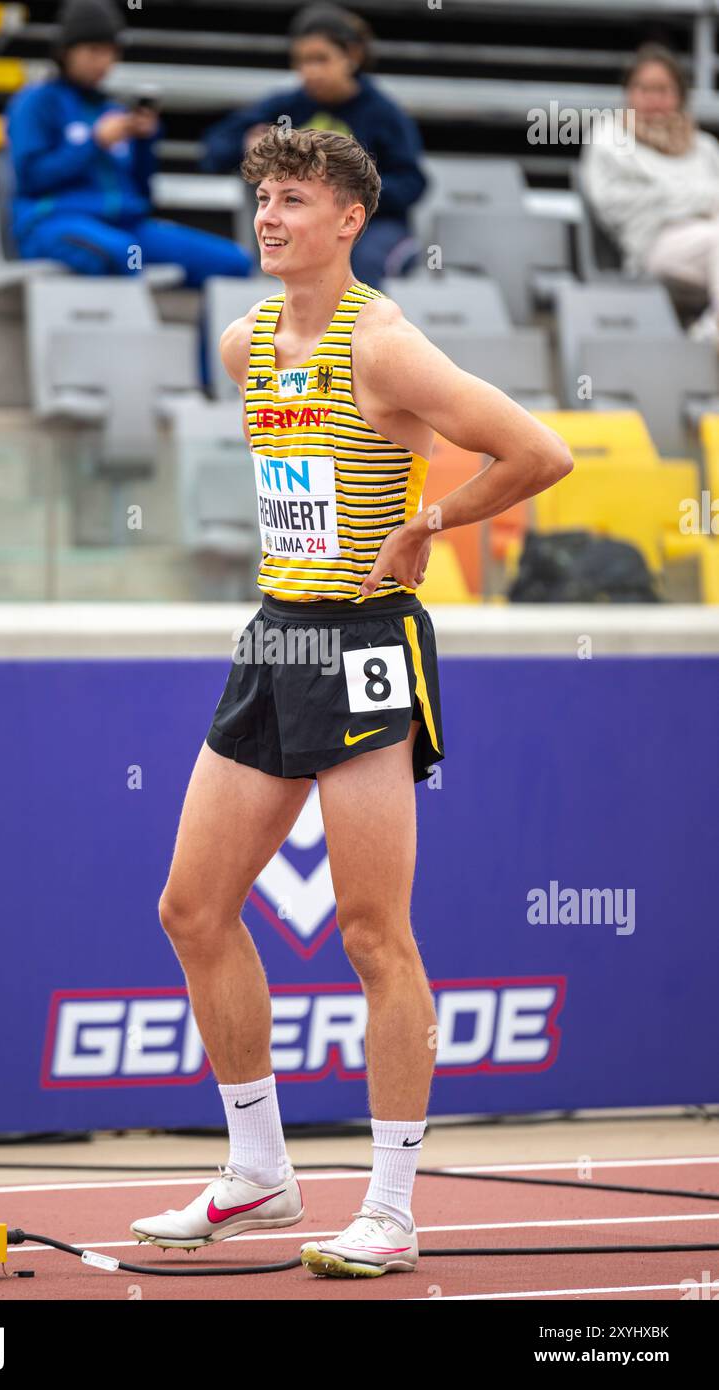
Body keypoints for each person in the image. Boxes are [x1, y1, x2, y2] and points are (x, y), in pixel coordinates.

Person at [129, 127, 573, 1277]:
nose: (267, 217)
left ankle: (387, 1201)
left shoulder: (386, 348)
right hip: (276, 636)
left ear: (346, 220)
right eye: (259, 199)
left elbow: (536, 451)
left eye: (289, 200)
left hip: (365, 647)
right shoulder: (245, 341)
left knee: (373, 934)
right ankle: (259, 1170)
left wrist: (432, 519)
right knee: (191, 908)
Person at [5, 0, 252, 289]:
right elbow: (31, 178)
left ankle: (214, 337)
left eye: (111, 52)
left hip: (126, 226)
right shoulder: (35, 102)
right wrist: (94, 142)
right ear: (65, 51)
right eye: (93, 51)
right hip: (52, 223)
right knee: (119, 253)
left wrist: (145, 142)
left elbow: (142, 194)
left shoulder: (113, 110)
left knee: (233, 263)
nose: (103, 62)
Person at [200, 3, 426, 287]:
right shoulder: (287, 106)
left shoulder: (382, 113)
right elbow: (214, 150)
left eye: (321, 59)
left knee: (351, 262)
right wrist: (248, 144)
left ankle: (356, 330)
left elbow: (412, 182)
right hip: (303, 222)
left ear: (352, 56)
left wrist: (349, 195)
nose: (311, 71)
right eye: (303, 61)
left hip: (371, 227)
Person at [581, 42, 719, 341]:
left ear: (679, 96)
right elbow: (612, 204)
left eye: (662, 90)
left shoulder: (704, 146)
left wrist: (684, 199)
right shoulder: (609, 138)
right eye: (644, 89)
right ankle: (711, 336)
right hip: (654, 244)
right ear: (629, 93)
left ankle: (710, 329)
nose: (653, 99)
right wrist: (698, 201)